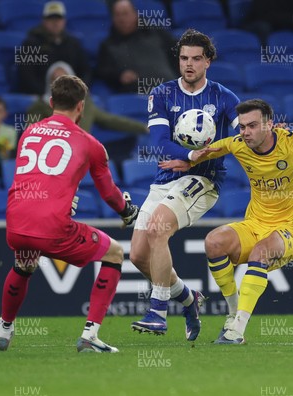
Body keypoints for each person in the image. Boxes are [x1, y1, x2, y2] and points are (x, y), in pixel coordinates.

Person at [159, 82, 293, 344]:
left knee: (261, 252)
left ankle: (237, 331)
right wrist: (188, 160)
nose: (245, 132)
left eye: (252, 126)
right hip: (255, 224)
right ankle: (233, 312)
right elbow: (214, 149)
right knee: (214, 241)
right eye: (243, 126)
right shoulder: (238, 144)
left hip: (290, 229)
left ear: (269, 124)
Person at [0, 75, 140, 353]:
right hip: (51, 228)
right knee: (115, 253)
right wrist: (128, 211)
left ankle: (5, 325)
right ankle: (90, 335)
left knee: (24, 264)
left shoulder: (29, 132)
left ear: (51, 102)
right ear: (81, 107)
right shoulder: (90, 144)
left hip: (16, 222)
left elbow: (33, 179)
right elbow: (108, 193)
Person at [129, 29, 240, 341]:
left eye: (195, 59)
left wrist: (197, 161)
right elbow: (161, 142)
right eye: (183, 58)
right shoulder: (162, 94)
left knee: (157, 230)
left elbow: (242, 137)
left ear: (208, 62)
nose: (188, 64)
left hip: (203, 180)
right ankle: (189, 299)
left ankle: (157, 313)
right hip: (165, 178)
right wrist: (190, 154)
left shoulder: (224, 97)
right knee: (138, 256)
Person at [96, 0, 176, 93]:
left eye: (125, 14)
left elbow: (177, 52)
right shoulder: (108, 45)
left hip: (170, 87)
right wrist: (119, 76)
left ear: (135, 15)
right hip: (138, 93)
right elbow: (102, 71)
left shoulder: (156, 33)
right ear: (113, 19)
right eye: (117, 15)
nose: (121, 19)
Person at [17, 1, 91, 95]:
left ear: (64, 21)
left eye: (58, 18)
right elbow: (25, 76)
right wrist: (45, 93)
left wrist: (78, 89)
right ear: (43, 21)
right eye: (51, 18)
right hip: (42, 96)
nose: (55, 22)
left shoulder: (74, 44)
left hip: (71, 95)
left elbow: (85, 70)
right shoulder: (30, 43)